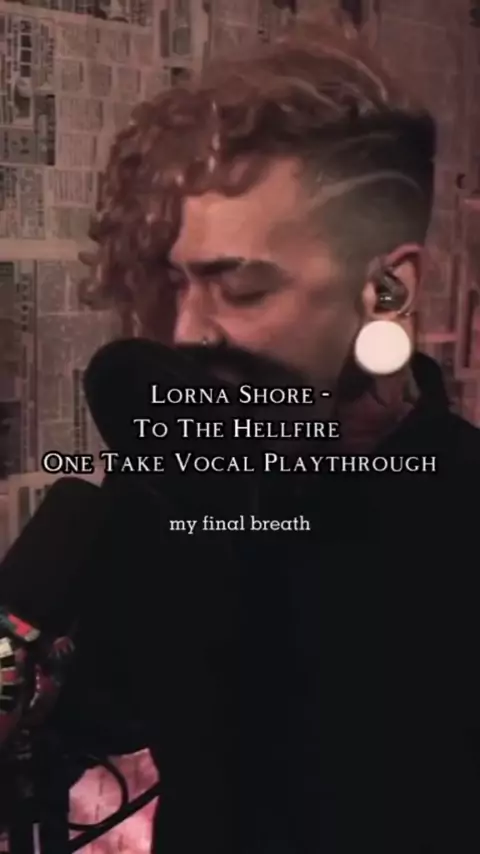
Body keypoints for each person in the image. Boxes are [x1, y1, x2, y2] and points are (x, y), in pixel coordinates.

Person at [5, 15, 480, 854]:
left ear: (387, 292)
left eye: (243, 286)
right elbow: (101, 717)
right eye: (173, 284)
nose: (188, 332)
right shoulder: (172, 490)